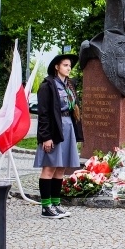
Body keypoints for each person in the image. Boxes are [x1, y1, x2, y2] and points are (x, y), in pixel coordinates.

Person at [36, 53, 82, 218]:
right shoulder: (47, 86)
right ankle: (45, 207)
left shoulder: (68, 86)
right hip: (55, 129)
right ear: (57, 67)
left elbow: (73, 109)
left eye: (69, 66)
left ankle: (56, 203)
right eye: (65, 65)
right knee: (49, 167)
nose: (68, 68)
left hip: (68, 127)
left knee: (61, 168)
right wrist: (46, 137)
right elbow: (43, 114)